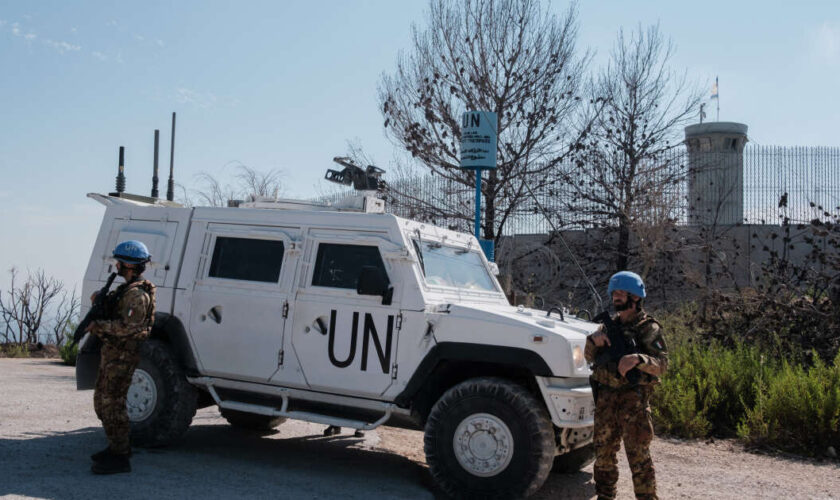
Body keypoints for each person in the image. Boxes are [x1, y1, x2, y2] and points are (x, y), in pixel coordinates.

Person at [584, 271, 668, 500]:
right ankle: (605, 495)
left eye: (622, 293)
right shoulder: (606, 327)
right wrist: (592, 341)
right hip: (606, 399)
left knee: (639, 457)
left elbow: (662, 364)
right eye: (615, 293)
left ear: (636, 297)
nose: (617, 297)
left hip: (634, 401)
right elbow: (589, 357)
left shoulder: (648, 328)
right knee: (603, 455)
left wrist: (638, 359)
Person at [87, 240, 156, 474]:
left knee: (113, 405)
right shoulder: (126, 289)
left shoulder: (137, 295)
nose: (116, 264)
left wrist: (99, 326)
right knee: (103, 403)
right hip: (113, 353)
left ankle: (120, 457)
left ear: (127, 264)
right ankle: (116, 447)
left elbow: (130, 327)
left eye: (119, 261)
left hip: (123, 356)